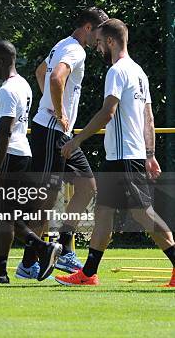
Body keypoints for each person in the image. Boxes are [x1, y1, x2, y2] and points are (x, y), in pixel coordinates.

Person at [56, 19, 175, 287]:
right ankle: (88, 274)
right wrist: (150, 153)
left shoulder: (117, 71)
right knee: (104, 213)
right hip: (123, 156)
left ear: (110, 42)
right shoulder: (139, 72)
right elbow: (149, 118)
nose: (97, 47)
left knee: (142, 213)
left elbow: (108, 112)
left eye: (99, 42)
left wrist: (77, 140)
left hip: (123, 156)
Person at [17, 7, 109, 279]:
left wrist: (53, 104)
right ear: (89, 28)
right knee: (45, 198)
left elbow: (40, 71)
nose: (100, 42)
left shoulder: (63, 44)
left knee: (86, 185)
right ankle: (28, 263)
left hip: (61, 134)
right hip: (51, 131)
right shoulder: (76, 50)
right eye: (99, 33)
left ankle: (65, 247)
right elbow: (55, 77)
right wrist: (58, 112)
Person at [0, 41, 61, 284]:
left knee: (3, 215)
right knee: (5, 215)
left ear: (0, 61)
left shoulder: (7, 90)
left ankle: (42, 248)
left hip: (9, 155)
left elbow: (5, 131)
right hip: (22, 153)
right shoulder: (24, 85)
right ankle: (0, 271)